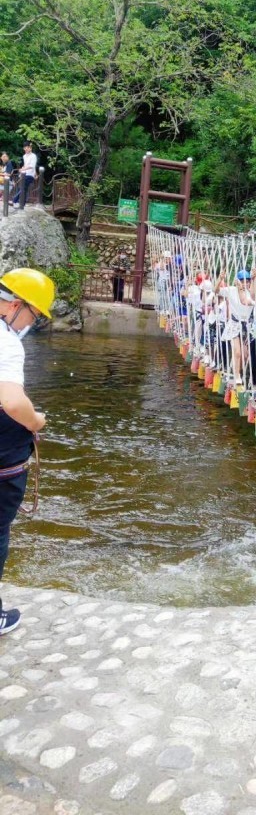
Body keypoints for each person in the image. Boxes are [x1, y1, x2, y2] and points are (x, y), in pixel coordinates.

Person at [0, 268, 55, 635]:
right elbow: (11, 400)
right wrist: (35, 421)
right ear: (17, 306)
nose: (30, 324)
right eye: (33, 316)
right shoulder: (6, 342)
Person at [13, 142, 37, 207]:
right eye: (25, 148)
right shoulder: (24, 156)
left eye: (28, 148)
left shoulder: (33, 156)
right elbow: (26, 165)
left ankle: (15, 200)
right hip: (24, 174)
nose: (26, 149)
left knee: (23, 187)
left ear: (30, 148)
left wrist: (24, 169)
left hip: (30, 175)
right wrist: (22, 168)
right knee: (24, 188)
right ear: (24, 148)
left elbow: (32, 166)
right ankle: (22, 204)